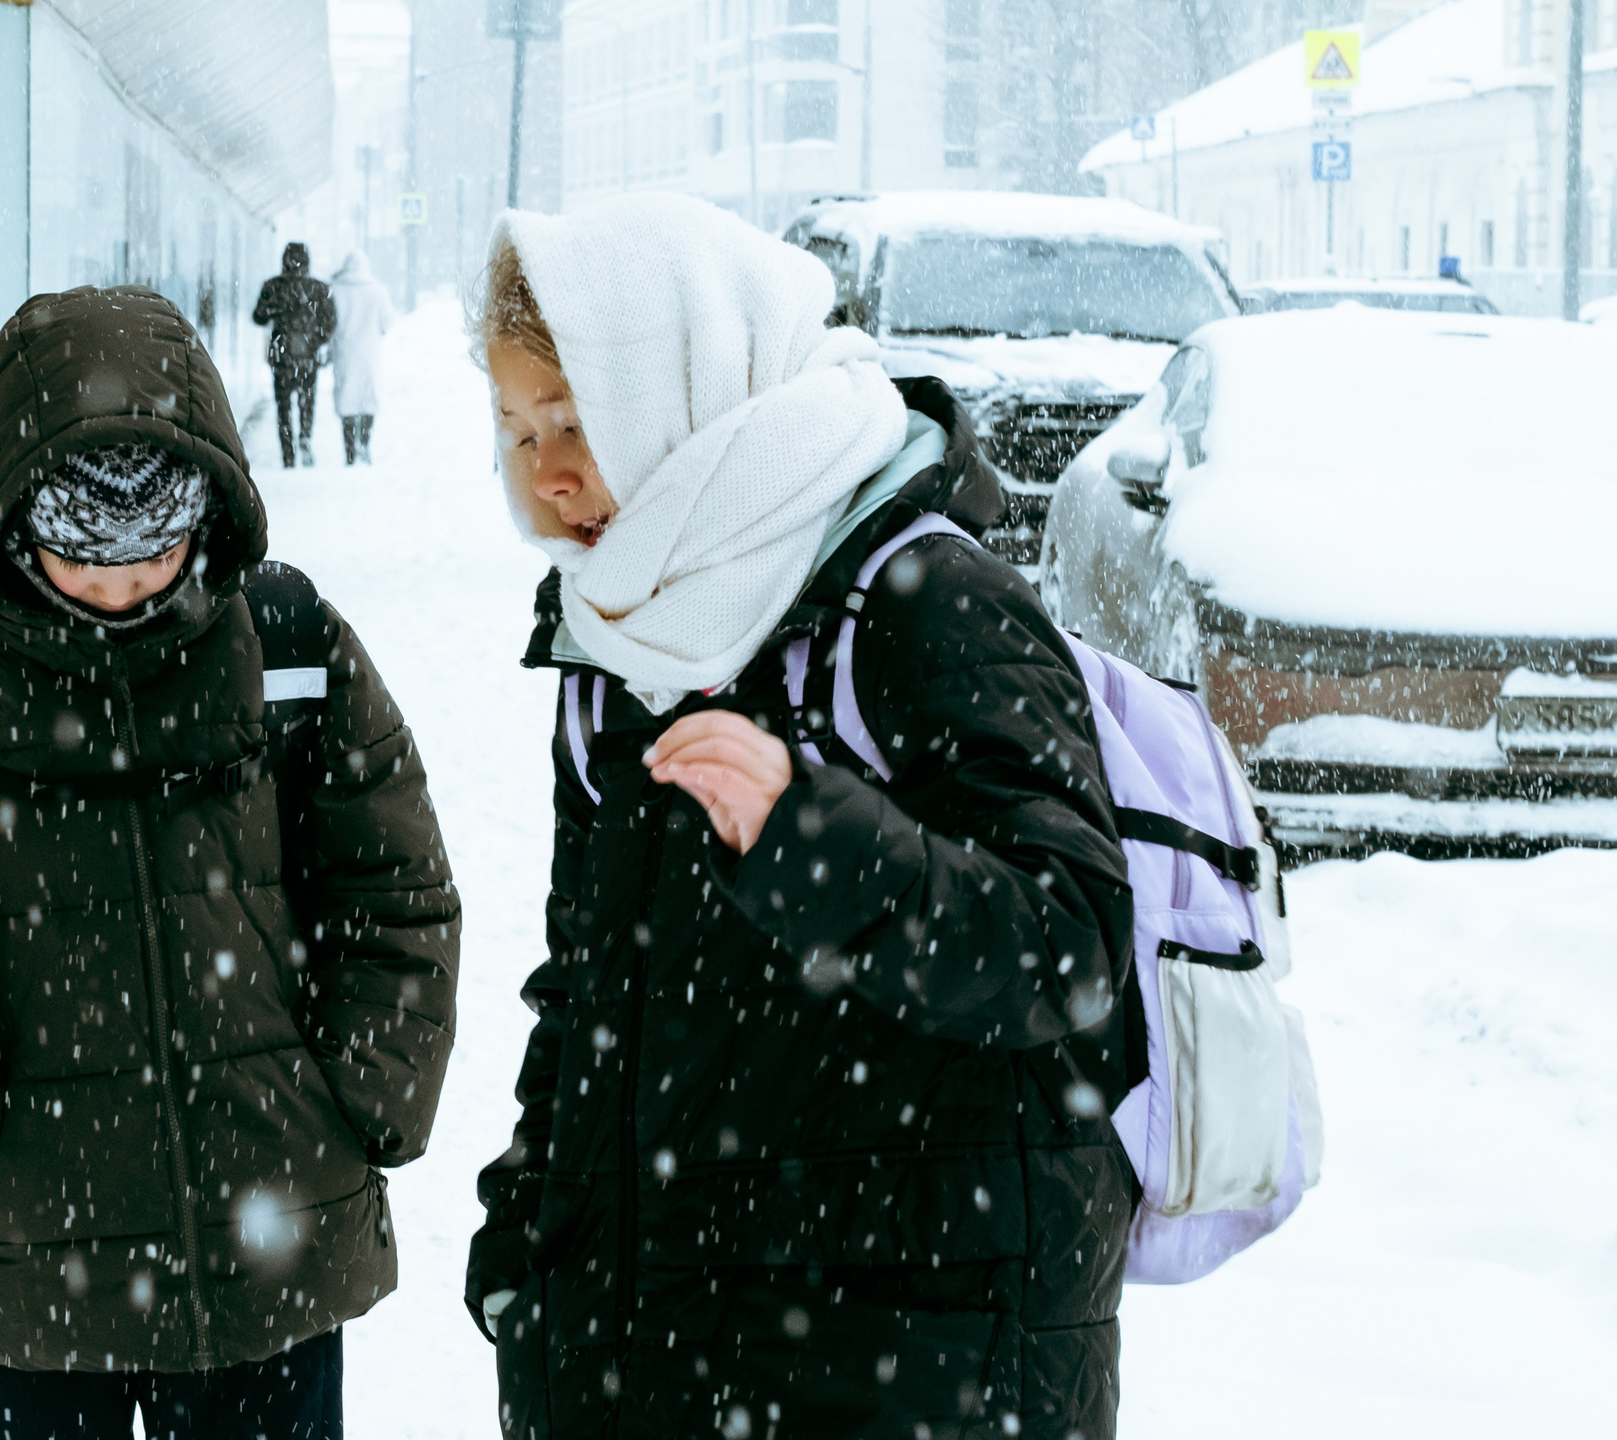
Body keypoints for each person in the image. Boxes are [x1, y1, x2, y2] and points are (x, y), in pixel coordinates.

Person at [461, 194, 1138, 1439]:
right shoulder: (623, 631)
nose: (546, 474)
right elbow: (592, 978)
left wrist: (810, 841)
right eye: (514, 430)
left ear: (688, 388)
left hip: (908, 1352)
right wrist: (531, 1229)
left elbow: (1070, 949)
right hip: (668, 1344)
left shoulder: (922, 600)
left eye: (575, 421)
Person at [0, 284, 460, 1440]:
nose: (119, 591)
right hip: (51, 1262)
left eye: (151, 556)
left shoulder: (291, 648)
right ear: (16, 517)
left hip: (279, 1237)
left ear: (204, 516)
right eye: (81, 558)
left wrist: (366, 1102)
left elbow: (395, 896)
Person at [253, 242, 337, 468]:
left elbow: (258, 317)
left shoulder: (273, 286)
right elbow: (330, 323)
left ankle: (288, 454)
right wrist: (315, 339)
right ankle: (305, 436)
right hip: (308, 358)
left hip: (282, 357)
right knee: (307, 400)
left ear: (284, 260)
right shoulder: (320, 289)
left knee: (283, 407)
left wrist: (275, 310)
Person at [325, 252, 397, 466]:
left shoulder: (334, 289)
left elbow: (328, 324)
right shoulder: (377, 290)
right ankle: (364, 443)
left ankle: (349, 450)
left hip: (344, 353)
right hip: (369, 354)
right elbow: (388, 322)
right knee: (367, 399)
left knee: (346, 400)